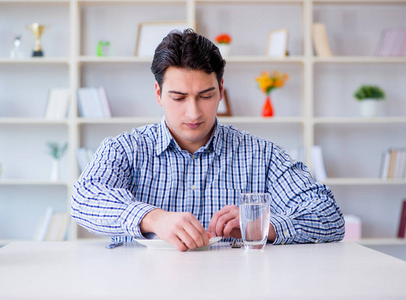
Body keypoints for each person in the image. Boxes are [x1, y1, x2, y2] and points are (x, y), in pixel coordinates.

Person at [71, 29, 345, 252]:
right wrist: (153, 218)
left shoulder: (262, 154)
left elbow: (329, 217)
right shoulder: (125, 149)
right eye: (178, 98)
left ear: (221, 90)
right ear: (158, 93)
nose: (193, 112)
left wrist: (261, 225)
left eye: (205, 96)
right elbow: (83, 198)